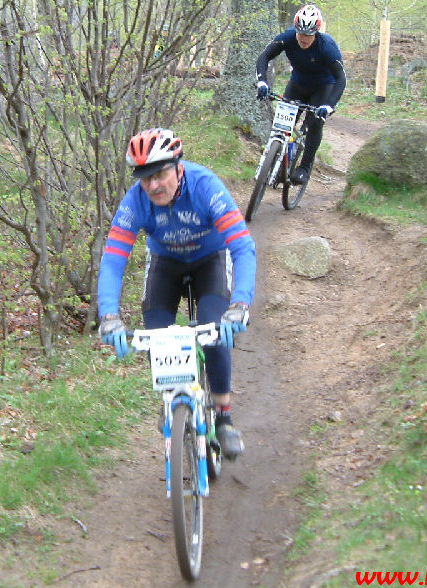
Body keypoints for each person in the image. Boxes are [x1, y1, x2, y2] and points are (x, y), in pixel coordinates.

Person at [97, 128, 256, 458]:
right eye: (145, 178)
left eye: (159, 175)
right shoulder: (136, 201)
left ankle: (224, 417)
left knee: (215, 328)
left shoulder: (205, 186)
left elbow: (242, 247)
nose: (153, 185)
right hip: (166, 263)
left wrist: (240, 304)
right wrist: (109, 316)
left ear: (178, 169)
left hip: (211, 258)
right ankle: (172, 395)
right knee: (157, 332)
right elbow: (113, 259)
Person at [255, 4, 346, 185]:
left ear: (316, 33)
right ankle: (276, 157)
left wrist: (329, 105)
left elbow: (341, 78)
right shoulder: (287, 38)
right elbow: (264, 56)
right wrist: (262, 81)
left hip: (322, 88)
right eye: (300, 33)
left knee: (315, 124)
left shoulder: (327, 47)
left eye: (308, 35)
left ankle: (304, 167)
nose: (303, 39)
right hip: (297, 85)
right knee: (282, 125)